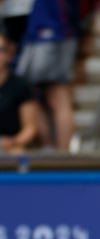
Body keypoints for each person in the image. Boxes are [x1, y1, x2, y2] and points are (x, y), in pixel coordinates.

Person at [14, 0, 78, 152]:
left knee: (57, 93)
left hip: (52, 29)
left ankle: (63, 153)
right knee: (30, 91)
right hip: (39, 28)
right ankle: (50, 147)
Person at [0, 31, 37, 153]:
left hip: (11, 147)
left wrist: (13, 142)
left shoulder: (20, 86)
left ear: (9, 54)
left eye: (1, 50)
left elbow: (30, 128)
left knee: (17, 152)